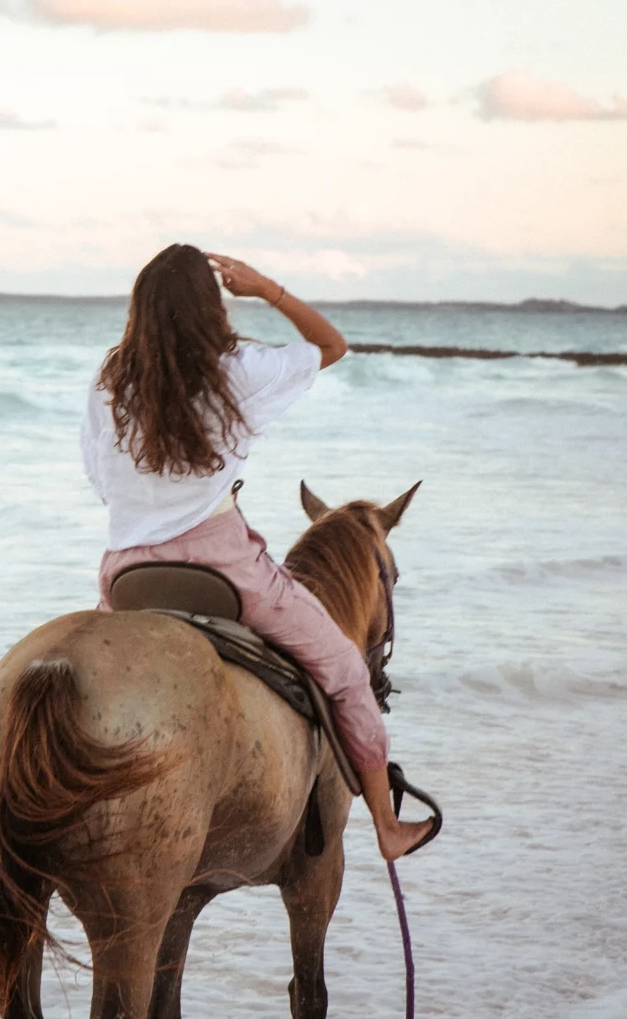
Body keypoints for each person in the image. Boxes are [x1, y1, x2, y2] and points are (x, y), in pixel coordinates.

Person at [81, 242, 433, 861]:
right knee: (347, 671)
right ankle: (387, 826)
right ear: (211, 307)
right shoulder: (238, 371)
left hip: (126, 572)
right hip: (223, 569)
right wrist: (266, 288)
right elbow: (331, 346)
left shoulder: (110, 382)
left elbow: (96, 477)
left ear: (140, 307)